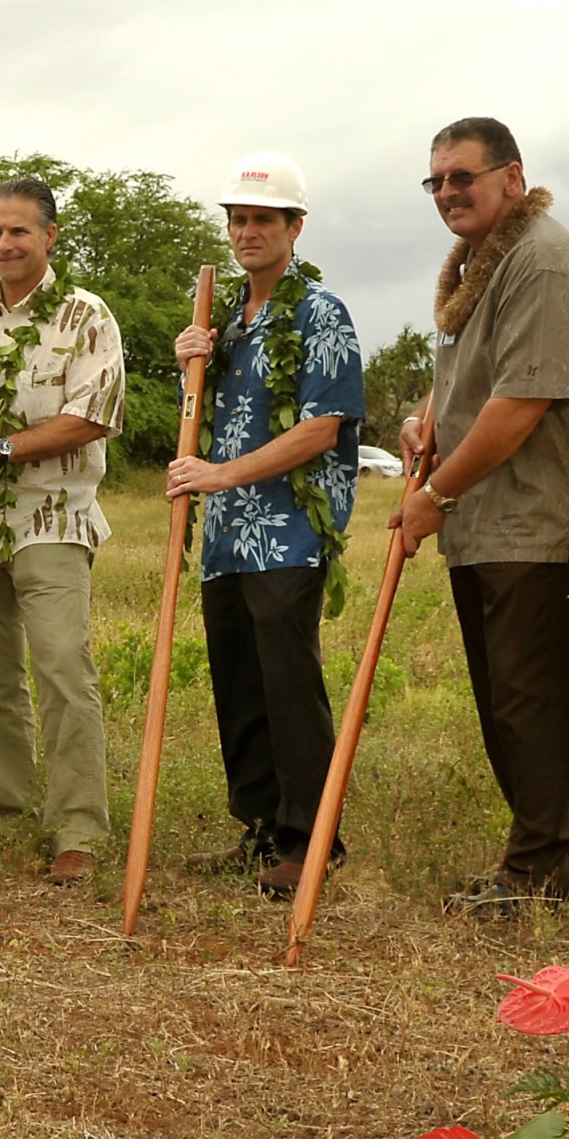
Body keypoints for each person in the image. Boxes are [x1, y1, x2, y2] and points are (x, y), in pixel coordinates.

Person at [395, 117, 569, 913]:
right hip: (493, 525)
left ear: (512, 177)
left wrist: (433, 497)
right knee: (510, 705)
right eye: (437, 181)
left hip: (545, 523)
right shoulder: (483, 264)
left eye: (464, 175)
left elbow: (522, 400)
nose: (449, 192)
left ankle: (539, 873)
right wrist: (428, 411)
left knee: (534, 704)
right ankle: (542, 862)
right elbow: (483, 375)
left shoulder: (545, 261)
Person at [165, 155, 364, 898]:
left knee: (287, 680)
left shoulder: (320, 312)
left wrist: (218, 475)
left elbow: (322, 426)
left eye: (263, 220)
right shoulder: (228, 322)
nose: (247, 232)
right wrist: (192, 361)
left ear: (294, 228)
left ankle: (310, 836)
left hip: (290, 532)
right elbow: (210, 417)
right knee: (239, 681)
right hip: (228, 539)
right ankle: (259, 823)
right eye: (238, 220)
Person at [0, 176, 125, 885]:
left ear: (49, 237)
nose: (4, 244)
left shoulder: (85, 314)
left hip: (51, 519)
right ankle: (1, 807)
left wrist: (3, 445)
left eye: (19, 232)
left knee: (63, 667)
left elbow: (92, 415)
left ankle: (76, 829)